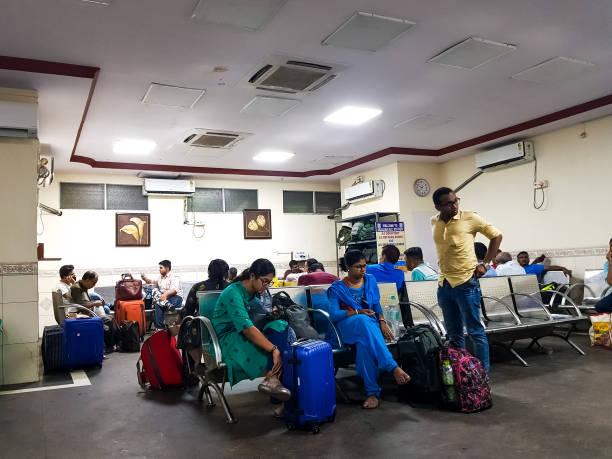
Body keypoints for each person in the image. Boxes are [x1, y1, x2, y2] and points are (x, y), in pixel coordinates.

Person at [327, 250, 411, 409]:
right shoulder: (337, 288)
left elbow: (376, 304)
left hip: (369, 327)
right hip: (346, 328)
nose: (363, 270)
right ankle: (392, 366)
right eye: (358, 267)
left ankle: (372, 394)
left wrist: (382, 321)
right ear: (348, 267)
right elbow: (333, 315)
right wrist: (356, 312)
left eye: (364, 266)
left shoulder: (370, 280)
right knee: (362, 320)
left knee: (364, 347)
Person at [431, 187, 502, 373]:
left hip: (466, 282)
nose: (454, 206)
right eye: (449, 203)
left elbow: (496, 236)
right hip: (444, 284)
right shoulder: (434, 222)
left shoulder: (470, 218)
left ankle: (481, 377)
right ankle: (461, 375)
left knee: (475, 332)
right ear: (438, 206)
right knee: (454, 335)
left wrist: (485, 264)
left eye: (456, 201)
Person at [211, 258, 292, 406]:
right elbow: (247, 329)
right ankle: (277, 390)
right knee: (278, 349)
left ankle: (273, 381)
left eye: (270, 282)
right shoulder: (233, 292)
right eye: (264, 281)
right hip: (229, 337)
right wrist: (273, 349)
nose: (266, 286)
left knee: (280, 326)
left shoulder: (254, 293)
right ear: (253, 276)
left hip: (246, 331)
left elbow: (260, 319)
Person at [141, 260, 183, 330]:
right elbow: (151, 282)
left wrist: (165, 295)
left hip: (176, 298)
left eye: (161, 268)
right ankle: (167, 304)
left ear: (167, 268)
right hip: (165, 299)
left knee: (158, 302)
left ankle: (159, 328)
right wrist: (145, 278)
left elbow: (174, 290)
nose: (159, 270)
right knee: (154, 291)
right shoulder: (160, 277)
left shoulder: (174, 277)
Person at [594, 238, 612, 313]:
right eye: (611, 246)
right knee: (600, 306)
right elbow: (610, 282)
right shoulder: (607, 265)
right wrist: (611, 262)